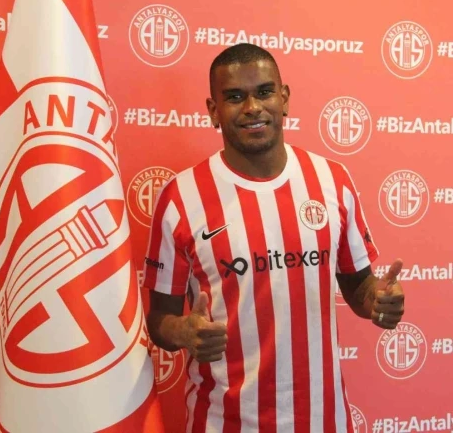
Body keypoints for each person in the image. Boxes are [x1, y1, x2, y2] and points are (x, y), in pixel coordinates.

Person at [142, 43, 405, 432]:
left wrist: (378, 301)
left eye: (264, 92)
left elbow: (358, 288)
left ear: (284, 99)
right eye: (235, 97)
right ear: (213, 110)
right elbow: (158, 319)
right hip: (225, 421)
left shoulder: (332, 180)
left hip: (323, 420)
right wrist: (182, 331)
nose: (252, 107)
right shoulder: (181, 197)